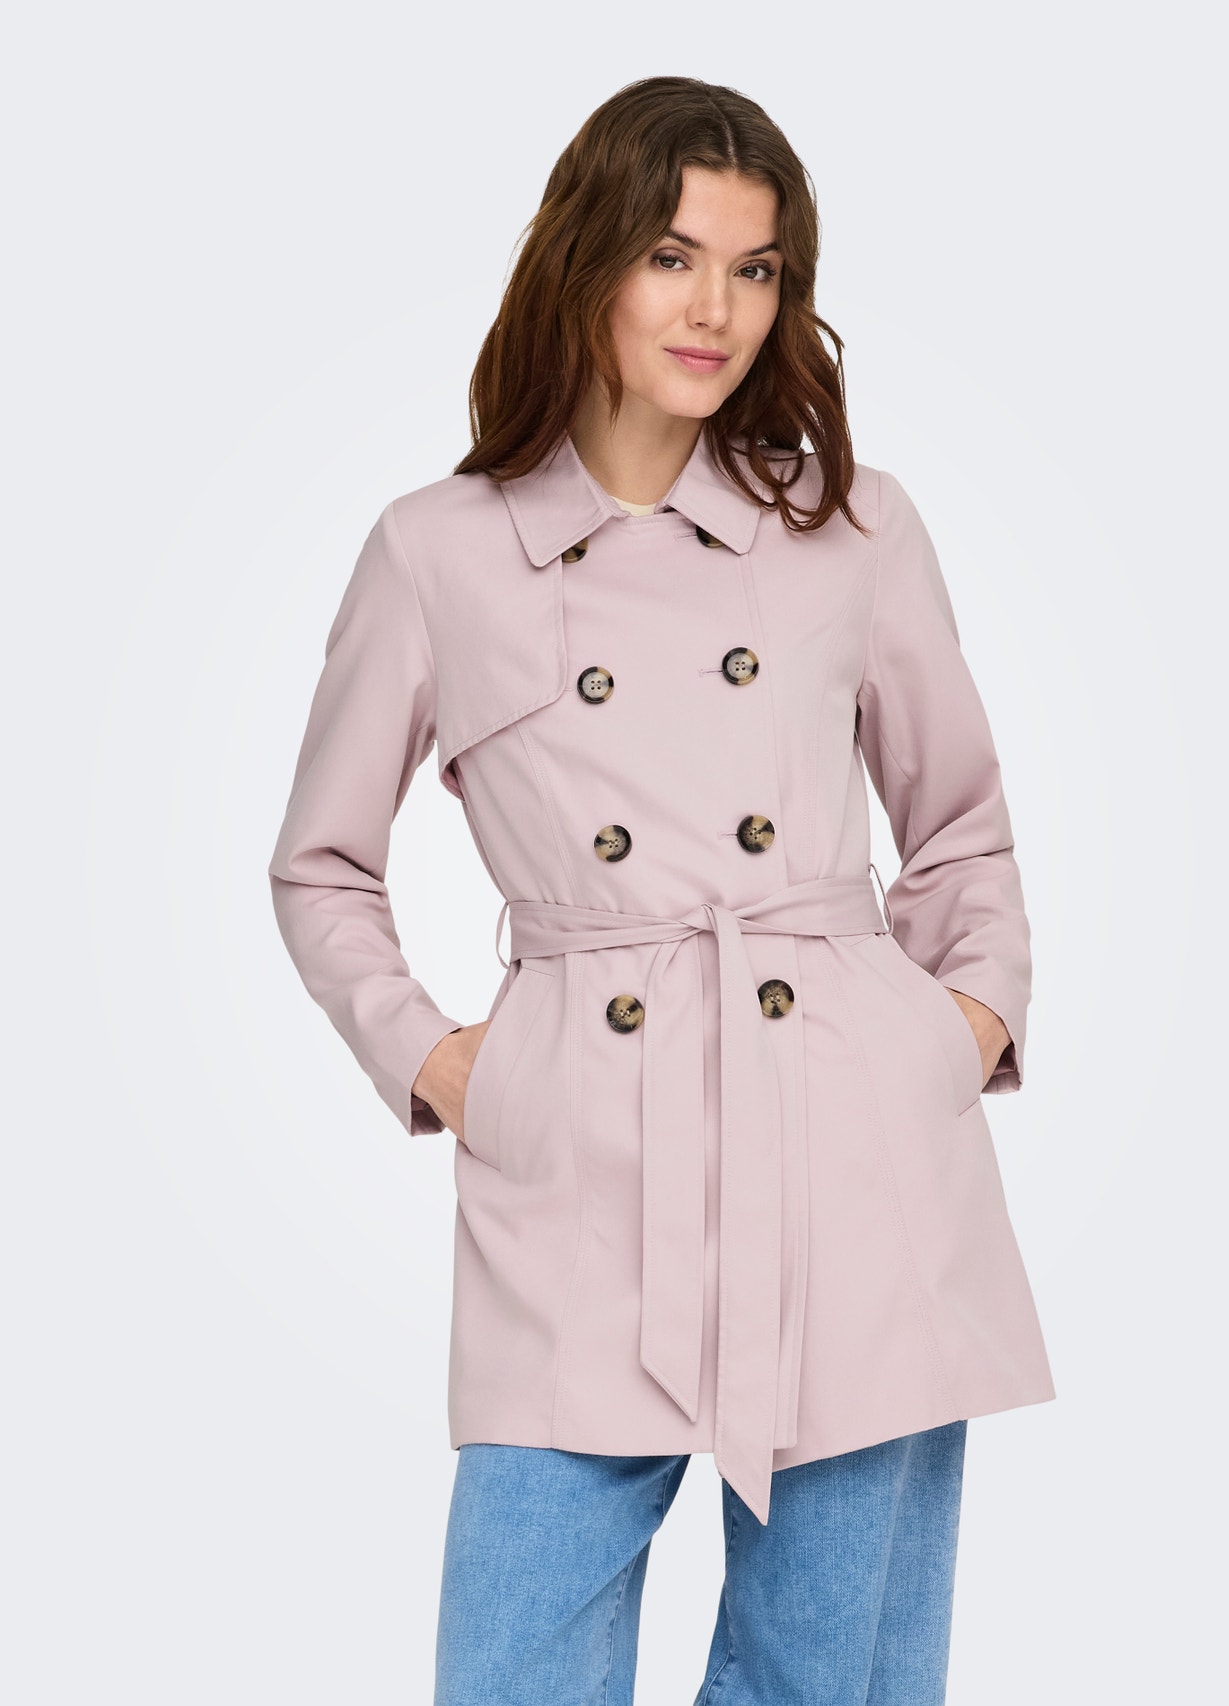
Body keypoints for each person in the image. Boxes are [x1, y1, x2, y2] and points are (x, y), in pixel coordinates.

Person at [268, 74, 1055, 1706]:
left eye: (756, 270)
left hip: (850, 1144)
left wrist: (956, 1029)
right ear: (588, 258)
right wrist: (442, 1061)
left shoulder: (852, 528)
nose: (716, 310)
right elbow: (321, 863)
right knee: (514, 1664)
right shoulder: (437, 550)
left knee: (829, 1681)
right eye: (673, 257)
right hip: (584, 1154)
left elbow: (962, 827)